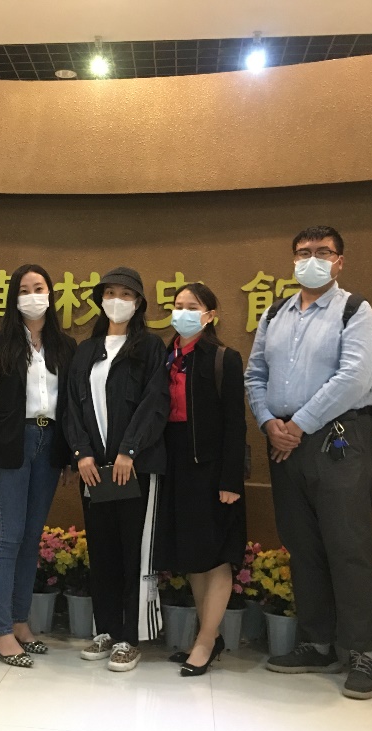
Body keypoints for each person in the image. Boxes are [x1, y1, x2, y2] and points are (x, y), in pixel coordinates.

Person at [244, 225, 372, 699]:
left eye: (323, 252)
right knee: (301, 544)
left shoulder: (355, 311)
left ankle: (360, 651)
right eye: (304, 252)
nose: (312, 259)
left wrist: (299, 424)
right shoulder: (275, 313)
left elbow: (355, 376)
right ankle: (316, 642)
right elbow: (255, 374)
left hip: (338, 439)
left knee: (348, 545)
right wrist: (269, 422)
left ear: (339, 261)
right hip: (282, 441)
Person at [0, 265, 76, 667]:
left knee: (31, 538)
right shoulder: (0, 343)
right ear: (14, 298)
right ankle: (0, 631)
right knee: (10, 537)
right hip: (9, 446)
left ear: (50, 293)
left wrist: (71, 454)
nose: (32, 295)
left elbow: (73, 404)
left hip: (50, 445)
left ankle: (20, 622)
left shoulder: (66, 345)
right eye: (24, 289)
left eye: (38, 287)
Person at [65, 267, 169, 672]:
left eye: (125, 294)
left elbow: (155, 401)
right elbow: (72, 406)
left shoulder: (150, 347)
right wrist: (82, 454)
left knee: (133, 554)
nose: (117, 300)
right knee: (102, 550)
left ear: (139, 302)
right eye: (109, 293)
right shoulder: (86, 350)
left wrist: (129, 450)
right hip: (95, 471)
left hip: (134, 469)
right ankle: (106, 629)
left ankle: (131, 637)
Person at [153, 283, 247, 677]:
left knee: (215, 556)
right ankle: (208, 635)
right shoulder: (165, 356)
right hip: (175, 467)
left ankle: (205, 642)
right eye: (178, 305)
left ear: (209, 315)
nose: (183, 312)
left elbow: (235, 424)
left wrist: (231, 480)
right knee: (193, 556)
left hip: (211, 470)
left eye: (192, 307)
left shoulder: (224, 358)